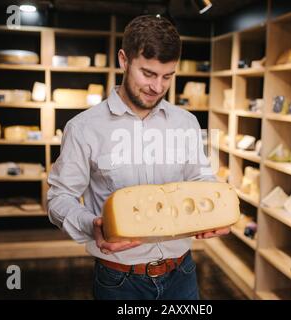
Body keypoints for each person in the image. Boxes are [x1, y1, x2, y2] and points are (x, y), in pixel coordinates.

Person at [47, 15, 230, 300]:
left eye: (167, 76)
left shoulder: (186, 122)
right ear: (124, 60)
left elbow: (200, 177)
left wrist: (218, 206)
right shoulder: (83, 128)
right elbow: (59, 197)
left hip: (182, 274)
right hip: (120, 281)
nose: (157, 87)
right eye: (148, 73)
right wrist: (91, 224)